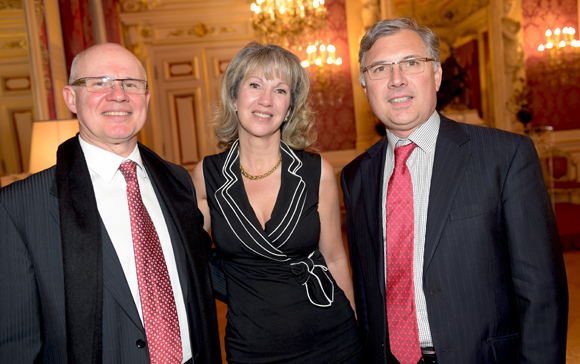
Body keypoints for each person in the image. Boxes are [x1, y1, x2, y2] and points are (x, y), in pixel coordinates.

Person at [341, 17, 569, 364]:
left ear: (436, 75)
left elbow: (542, 293)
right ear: (364, 84)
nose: (396, 79)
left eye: (412, 63)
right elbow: (366, 293)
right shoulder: (356, 175)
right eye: (380, 68)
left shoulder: (504, 156)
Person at [0, 43, 221, 364]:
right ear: (71, 98)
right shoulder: (19, 207)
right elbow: (16, 343)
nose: (118, 95)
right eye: (99, 83)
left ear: (145, 98)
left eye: (131, 84)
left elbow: (203, 269)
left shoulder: (177, 180)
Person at [192, 41, 361, 363]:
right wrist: (244, 290)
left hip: (333, 340)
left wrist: (355, 328)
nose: (265, 100)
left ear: (290, 107)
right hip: (252, 346)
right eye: (254, 85)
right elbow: (192, 258)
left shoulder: (317, 172)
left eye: (280, 91)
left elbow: (336, 259)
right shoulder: (207, 174)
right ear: (233, 95)